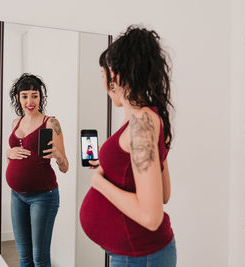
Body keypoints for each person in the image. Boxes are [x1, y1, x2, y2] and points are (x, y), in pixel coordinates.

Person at [80, 25, 176, 267]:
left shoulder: (143, 123)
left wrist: (99, 183)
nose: (104, 86)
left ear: (115, 76)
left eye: (104, 76)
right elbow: (163, 193)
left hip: (139, 256)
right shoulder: (145, 118)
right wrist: (111, 167)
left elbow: (152, 216)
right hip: (136, 254)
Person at [5, 73, 69, 267]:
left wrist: (57, 155)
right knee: (24, 257)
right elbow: (12, 161)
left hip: (43, 196)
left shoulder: (50, 123)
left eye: (34, 95)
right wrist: (9, 153)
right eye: (25, 96)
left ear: (41, 97)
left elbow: (65, 166)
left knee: (39, 258)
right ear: (18, 98)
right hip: (17, 196)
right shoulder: (15, 123)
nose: (30, 101)